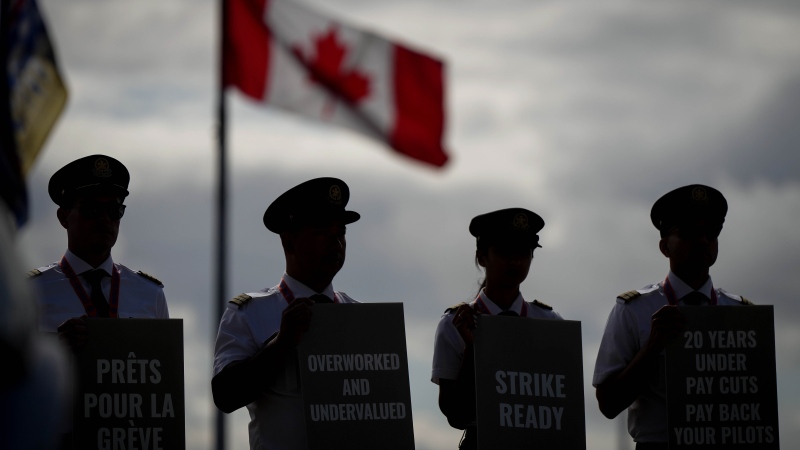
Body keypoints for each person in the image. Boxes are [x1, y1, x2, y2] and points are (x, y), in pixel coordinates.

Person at [593, 184, 752, 450]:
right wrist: (652, 348)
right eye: (689, 232)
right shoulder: (633, 310)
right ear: (664, 246)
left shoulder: (742, 314)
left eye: (711, 232)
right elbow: (608, 405)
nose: (702, 240)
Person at [212, 177, 361, 450]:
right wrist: (281, 345)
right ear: (289, 241)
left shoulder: (359, 316)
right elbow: (225, 395)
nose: (336, 242)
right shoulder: (249, 312)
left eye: (340, 232)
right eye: (322, 232)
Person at [431, 208, 563, 450]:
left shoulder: (550, 323)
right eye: (504, 252)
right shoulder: (455, 324)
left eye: (524, 252)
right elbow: (456, 416)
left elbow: (560, 402)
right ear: (482, 257)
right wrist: (473, 346)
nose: (515, 260)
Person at [29, 154, 169, 348]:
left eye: (114, 210)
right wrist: (55, 350)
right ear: (63, 217)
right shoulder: (31, 292)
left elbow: (165, 371)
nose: (104, 219)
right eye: (91, 209)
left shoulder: (149, 294)